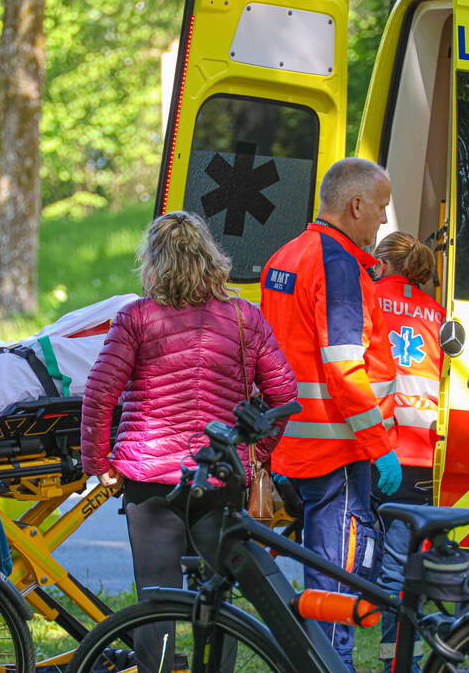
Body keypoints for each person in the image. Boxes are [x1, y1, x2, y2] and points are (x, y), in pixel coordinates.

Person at [80, 211, 296, 672]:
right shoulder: (244, 318)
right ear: (210, 257)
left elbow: (100, 393)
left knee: (154, 600)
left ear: (154, 262)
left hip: (151, 478)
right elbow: (283, 395)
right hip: (220, 477)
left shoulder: (137, 317)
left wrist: (97, 461)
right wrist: (255, 453)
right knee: (218, 600)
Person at [260, 157, 401, 671]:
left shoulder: (287, 255)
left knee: (318, 571)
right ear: (356, 205)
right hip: (336, 451)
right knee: (337, 577)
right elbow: (345, 367)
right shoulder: (338, 264)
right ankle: (330, 665)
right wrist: (380, 447)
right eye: (381, 208)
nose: (384, 222)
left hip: (294, 444)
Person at [371, 231, 445, 673]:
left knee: (349, 558)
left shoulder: (367, 299)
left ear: (381, 263)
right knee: (401, 570)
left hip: (373, 448)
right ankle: (401, 663)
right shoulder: (438, 314)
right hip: (422, 456)